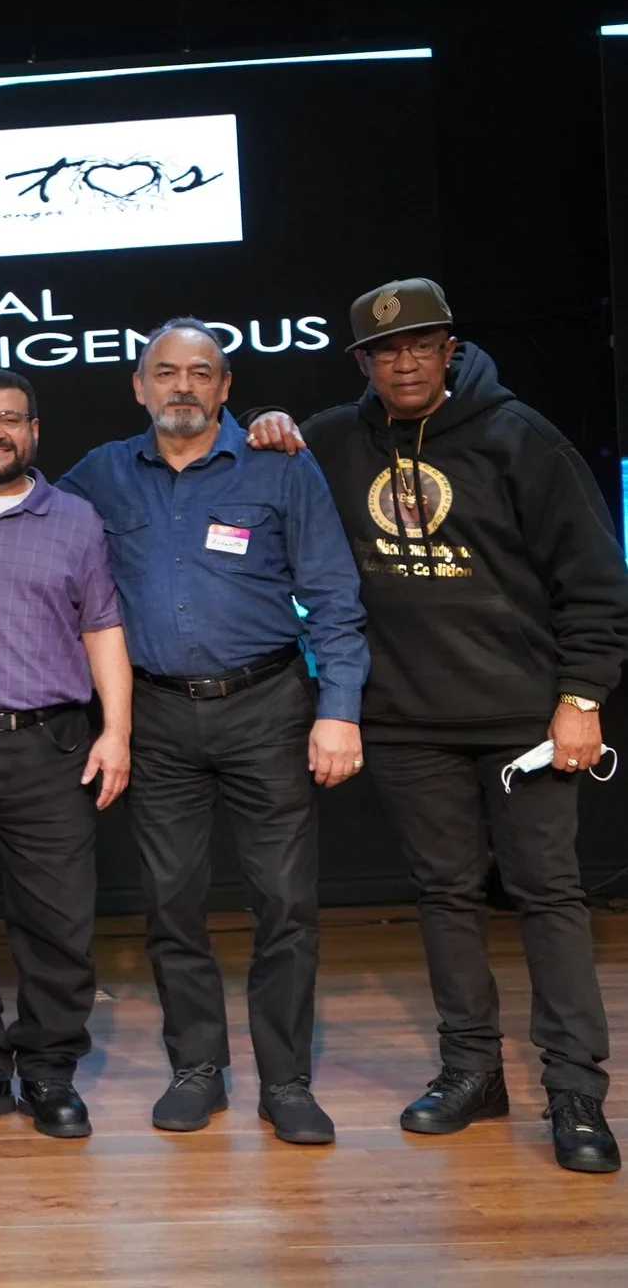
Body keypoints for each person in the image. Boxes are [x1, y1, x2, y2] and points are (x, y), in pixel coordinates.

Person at [242, 278, 624, 1173]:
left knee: (548, 897)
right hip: (409, 720)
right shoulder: (335, 440)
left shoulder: (520, 437)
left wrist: (582, 696)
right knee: (446, 897)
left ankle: (575, 1092)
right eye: (384, 351)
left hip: (524, 721)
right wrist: (265, 421)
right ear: (364, 363)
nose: (403, 362)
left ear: (450, 348)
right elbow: (271, 448)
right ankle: (471, 1071)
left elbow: (597, 581)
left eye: (420, 345)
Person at [52, 318, 369, 1147]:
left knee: (285, 901)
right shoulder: (101, 476)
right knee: (172, 901)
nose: (182, 386)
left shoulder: (280, 465)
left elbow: (334, 595)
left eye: (202, 372)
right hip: (154, 714)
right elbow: (13, 509)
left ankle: (288, 1081)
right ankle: (197, 1068)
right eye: (165, 371)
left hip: (267, 705)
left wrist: (340, 706)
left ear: (227, 388)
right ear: (138, 386)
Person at [0, 368, 131, 1139]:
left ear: (34, 431)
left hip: (54, 743)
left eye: (9, 418)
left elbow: (101, 626)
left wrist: (117, 730)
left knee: (59, 922)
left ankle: (47, 1071)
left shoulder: (77, 517)